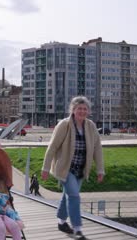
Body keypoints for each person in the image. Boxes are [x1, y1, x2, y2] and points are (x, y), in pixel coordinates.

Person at [41, 96, 104, 240]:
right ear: (73, 110)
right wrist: (45, 168)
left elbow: (97, 149)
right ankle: (77, 229)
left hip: (80, 169)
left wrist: (100, 170)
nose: (82, 111)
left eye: (84, 109)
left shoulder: (91, 126)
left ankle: (61, 222)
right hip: (65, 168)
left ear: (88, 111)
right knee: (74, 196)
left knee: (68, 195)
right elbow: (52, 146)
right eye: (79, 108)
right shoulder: (64, 125)